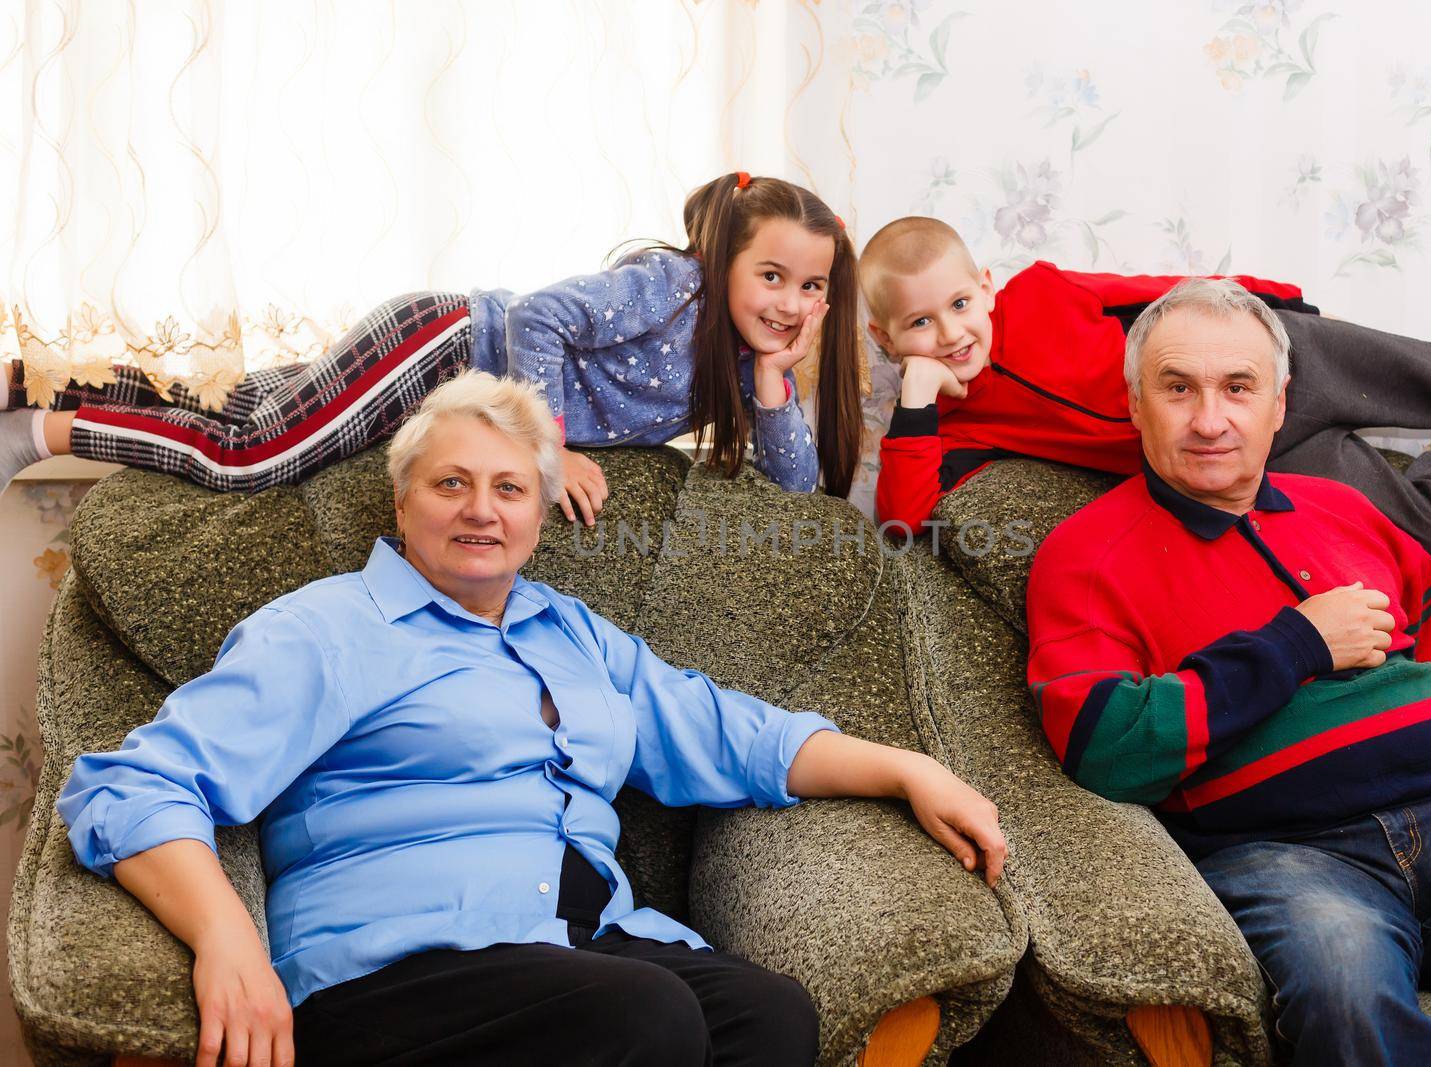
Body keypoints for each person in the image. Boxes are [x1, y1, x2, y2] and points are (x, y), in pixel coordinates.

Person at [57, 371, 1004, 1067]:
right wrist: (225, 936)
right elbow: (132, 783)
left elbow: (723, 731)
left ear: (540, 513)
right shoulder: (328, 627)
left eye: (509, 488)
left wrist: (906, 767)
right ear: (401, 500)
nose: (481, 510)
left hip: (580, 948)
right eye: (450, 483)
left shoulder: (573, 632)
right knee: (647, 1018)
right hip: (396, 966)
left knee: (770, 1013)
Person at [1025, 278, 1431, 1065]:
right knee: (1345, 994)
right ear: (1135, 403)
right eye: (1177, 388)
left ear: (1279, 401)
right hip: (1284, 852)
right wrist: (1294, 644)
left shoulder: (1345, 508)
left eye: (1238, 387)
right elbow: (1105, 745)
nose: (1210, 419)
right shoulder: (1084, 556)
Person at [0, 172, 864, 521]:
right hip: (445, 344)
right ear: (724, 261)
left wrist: (773, 376)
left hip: (446, 372)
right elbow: (538, 318)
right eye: (772, 276)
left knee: (247, 405)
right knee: (253, 457)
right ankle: (40, 435)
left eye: (812, 287)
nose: (791, 303)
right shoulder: (673, 284)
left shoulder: (744, 368)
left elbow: (792, 489)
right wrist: (548, 448)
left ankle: (40, 381)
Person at [862, 215, 1431, 568]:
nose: (952, 333)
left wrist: (1287, 306)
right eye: (919, 324)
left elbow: (1170, 293)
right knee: (1429, 537)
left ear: (985, 287)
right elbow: (904, 525)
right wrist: (917, 402)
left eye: (960, 305)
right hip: (1242, 457)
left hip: (1288, 360)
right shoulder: (953, 434)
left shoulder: (1041, 293)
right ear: (882, 336)